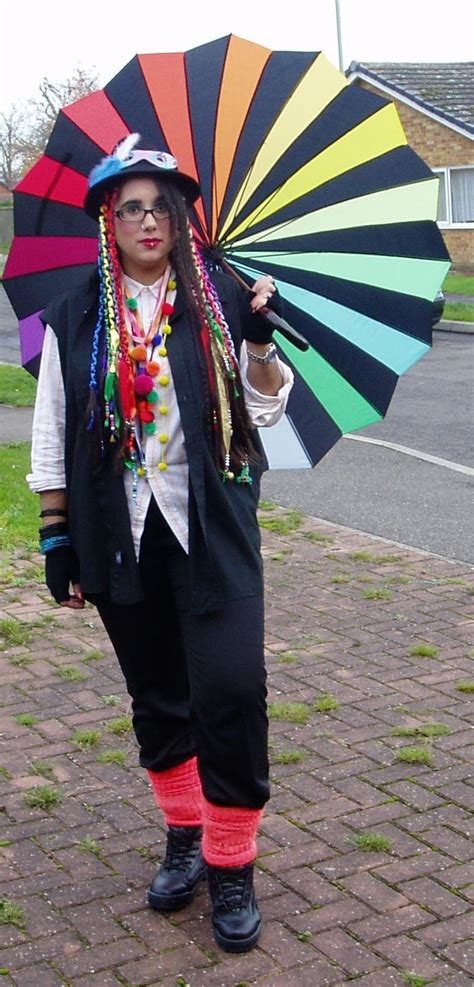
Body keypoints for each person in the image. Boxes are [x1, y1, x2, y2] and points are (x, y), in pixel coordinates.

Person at [27, 135, 294, 954]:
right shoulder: (74, 315)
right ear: (109, 222)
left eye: (160, 207)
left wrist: (256, 340)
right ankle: (185, 835)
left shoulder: (221, 297)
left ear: (181, 220)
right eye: (130, 207)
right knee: (158, 697)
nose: (147, 220)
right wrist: (57, 534)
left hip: (210, 529)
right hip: (120, 534)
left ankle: (233, 860)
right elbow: (51, 427)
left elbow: (268, 414)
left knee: (232, 693)